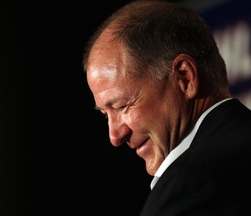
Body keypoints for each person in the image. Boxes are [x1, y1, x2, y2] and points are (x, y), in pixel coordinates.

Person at [82, 0, 251, 215]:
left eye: (122, 106)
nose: (115, 137)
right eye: (106, 115)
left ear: (185, 77)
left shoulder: (193, 181)